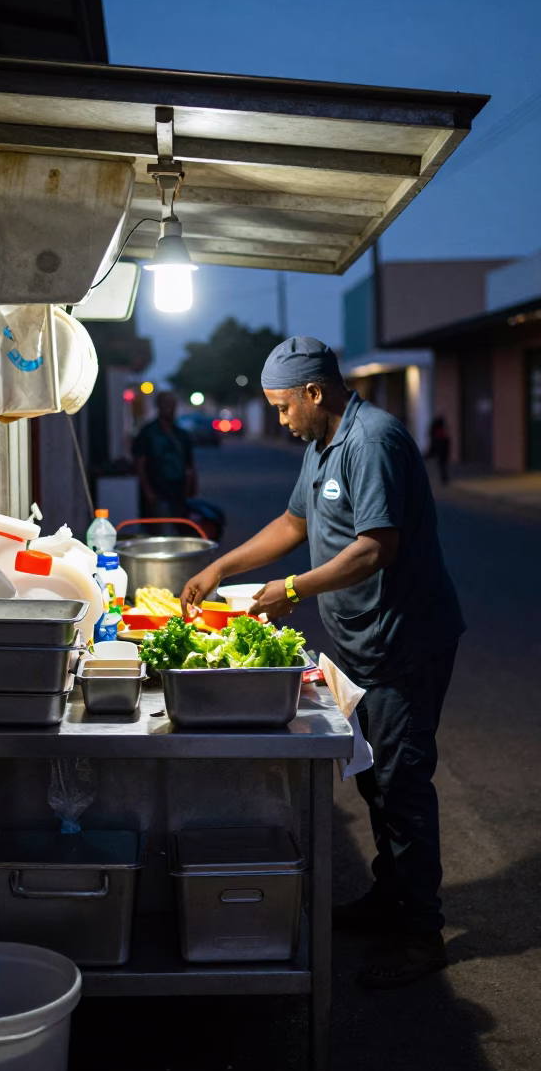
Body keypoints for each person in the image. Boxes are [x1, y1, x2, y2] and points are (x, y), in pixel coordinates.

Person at [181, 337, 465, 989]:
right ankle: (389, 896)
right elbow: (293, 523)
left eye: (283, 407)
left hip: (403, 643)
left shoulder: (373, 443)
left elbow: (376, 548)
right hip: (360, 645)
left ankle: (422, 935)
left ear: (314, 392)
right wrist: (221, 565)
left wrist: (293, 589)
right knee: (372, 778)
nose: (280, 420)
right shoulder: (320, 447)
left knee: (402, 785)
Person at [132, 391, 197, 520]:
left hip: (179, 490)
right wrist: (148, 491)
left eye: (172, 405)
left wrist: (192, 488)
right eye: (165, 404)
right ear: (159, 406)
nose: (169, 408)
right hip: (157, 488)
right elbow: (139, 464)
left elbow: (189, 465)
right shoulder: (148, 433)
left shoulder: (181, 435)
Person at [428, 415, 451, 485]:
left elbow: (435, 442)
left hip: (441, 452)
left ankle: (444, 478)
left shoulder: (438, 433)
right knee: (443, 465)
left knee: (442, 465)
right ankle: (444, 478)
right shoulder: (442, 432)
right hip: (443, 451)